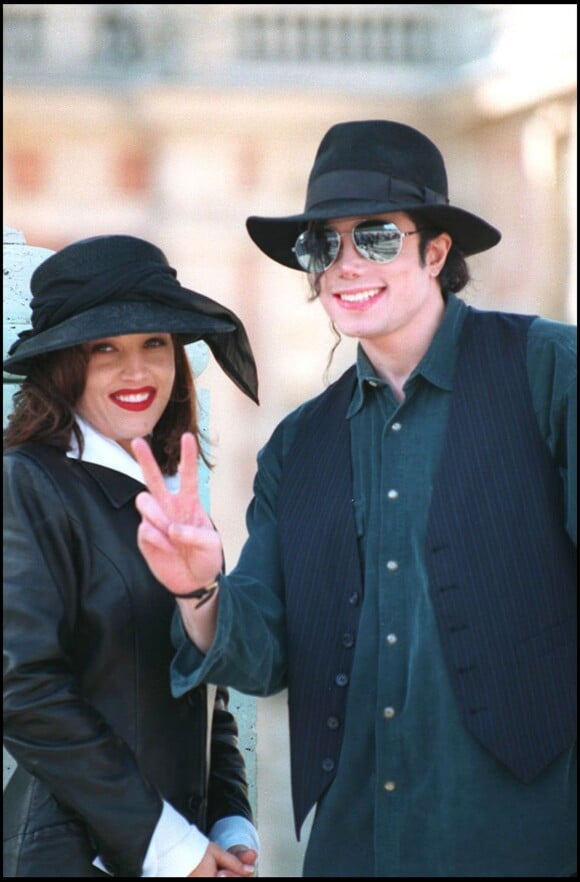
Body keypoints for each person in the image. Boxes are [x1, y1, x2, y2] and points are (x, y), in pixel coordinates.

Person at [131, 121, 577, 877]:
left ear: (436, 252)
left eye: (374, 238)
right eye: (322, 246)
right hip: (354, 848)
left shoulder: (550, 372)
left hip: (525, 841)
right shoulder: (298, 447)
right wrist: (197, 586)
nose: (343, 266)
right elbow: (267, 653)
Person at [3, 234, 261, 878]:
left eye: (155, 343)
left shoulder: (173, 497)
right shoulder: (25, 483)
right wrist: (169, 846)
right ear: (64, 363)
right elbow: (22, 690)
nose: (137, 370)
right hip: (69, 858)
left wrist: (229, 820)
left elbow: (209, 686)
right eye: (105, 349)